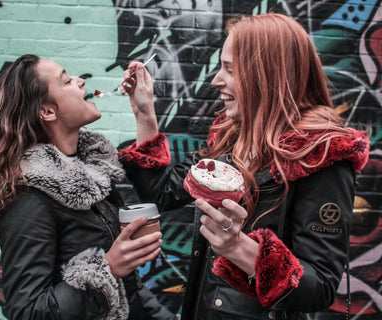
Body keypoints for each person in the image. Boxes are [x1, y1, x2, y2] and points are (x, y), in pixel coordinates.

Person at [117, 13, 370, 320]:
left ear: (267, 75)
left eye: (230, 70)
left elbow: (320, 288)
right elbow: (164, 192)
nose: (215, 80)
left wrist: (237, 247)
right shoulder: (231, 137)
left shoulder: (319, 156)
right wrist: (145, 112)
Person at [0, 54, 176, 320]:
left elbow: (127, 288)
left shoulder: (93, 177)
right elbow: (27, 313)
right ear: (48, 111)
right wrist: (107, 268)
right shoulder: (29, 199)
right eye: (67, 81)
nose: (81, 82)